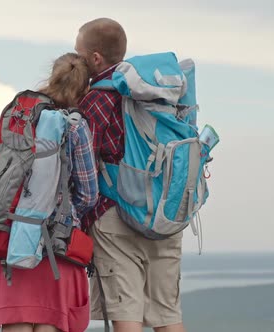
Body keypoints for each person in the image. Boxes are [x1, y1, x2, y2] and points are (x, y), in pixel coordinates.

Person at [75, 18, 187, 332]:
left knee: (128, 317)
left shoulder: (97, 98)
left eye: (79, 53)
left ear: (95, 58)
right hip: (164, 211)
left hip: (116, 217)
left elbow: (82, 165)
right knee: (169, 316)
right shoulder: (160, 94)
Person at [0, 53, 99, 332]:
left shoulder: (19, 116)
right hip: (56, 247)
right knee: (51, 323)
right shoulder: (76, 126)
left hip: (9, 241)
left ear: (51, 77)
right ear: (85, 88)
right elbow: (88, 194)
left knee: (15, 324)